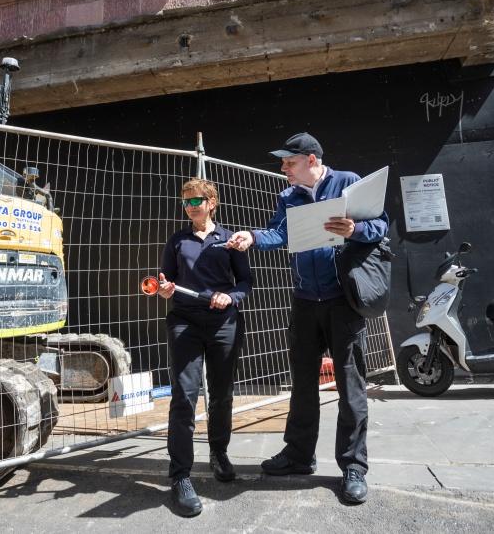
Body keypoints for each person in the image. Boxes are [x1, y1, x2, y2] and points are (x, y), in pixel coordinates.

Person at [226, 132, 388, 504]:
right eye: (283, 163)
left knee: (350, 387)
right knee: (302, 384)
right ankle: (299, 456)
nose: (284, 168)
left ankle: (353, 466)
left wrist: (356, 229)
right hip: (304, 302)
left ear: (312, 160)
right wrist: (252, 237)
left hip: (342, 301)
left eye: (290, 162)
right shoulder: (289, 196)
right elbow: (278, 233)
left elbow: (381, 226)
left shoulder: (348, 183)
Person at [158, 178, 253, 517]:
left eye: (196, 200)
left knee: (222, 394)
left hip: (223, 323)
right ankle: (180, 476)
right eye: (186, 202)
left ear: (212, 203)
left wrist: (231, 296)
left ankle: (219, 454)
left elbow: (245, 281)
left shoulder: (230, 240)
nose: (190, 206)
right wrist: (165, 289)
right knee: (184, 396)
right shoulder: (177, 240)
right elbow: (165, 280)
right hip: (185, 323)